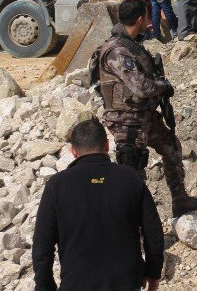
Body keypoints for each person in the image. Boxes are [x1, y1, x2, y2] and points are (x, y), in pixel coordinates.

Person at [92, 0, 197, 217]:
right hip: (126, 121)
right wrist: (163, 86)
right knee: (133, 174)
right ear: (139, 19)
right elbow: (141, 86)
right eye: (146, 16)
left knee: (171, 147)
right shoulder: (117, 50)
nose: (149, 20)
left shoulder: (131, 44)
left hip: (144, 116)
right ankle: (131, 223)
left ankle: (180, 199)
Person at [32, 118, 164, 291]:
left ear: (73, 151)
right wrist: (153, 272)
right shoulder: (131, 178)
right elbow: (153, 233)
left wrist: (45, 287)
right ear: (107, 146)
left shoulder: (56, 186)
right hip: (126, 282)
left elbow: (42, 246)